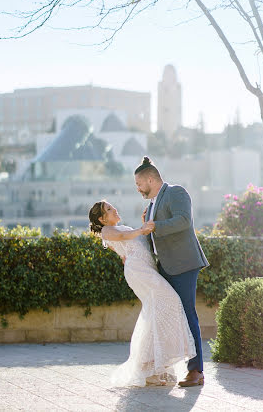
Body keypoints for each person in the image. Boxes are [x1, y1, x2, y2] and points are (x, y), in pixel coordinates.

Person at [88, 201, 196, 388]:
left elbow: (130, 249)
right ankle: (150, 366)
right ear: (101, 219)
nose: (114, 209)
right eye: (109, 209)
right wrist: (142, 228)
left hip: (146, 269)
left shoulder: (122, 228)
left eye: (113, 207)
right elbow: (122, 237)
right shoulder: (107, 231)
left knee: (156, 313)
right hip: (140, 273)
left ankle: (151, 367)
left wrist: (142, 225)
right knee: (170, 301)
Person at [134, 156, 210, 387]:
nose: (137, 189)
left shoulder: (176, 192)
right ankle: (163, 368)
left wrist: (155, 225)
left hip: (184, 265)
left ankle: (196, 371)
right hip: (165, 267)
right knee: (166, 317)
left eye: (139, 184)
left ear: (150, 179)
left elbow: (184, 221)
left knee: (187, 315)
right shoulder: (151, 205)